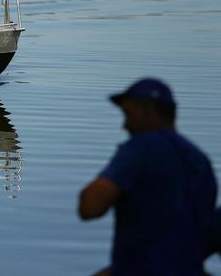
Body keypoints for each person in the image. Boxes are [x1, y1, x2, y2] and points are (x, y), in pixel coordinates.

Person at [78, 78, 217, 275]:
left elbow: (90, 208)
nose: (124, 125)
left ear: (144, 110)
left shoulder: (142, 148)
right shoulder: (201, 161)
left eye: (127, 114)